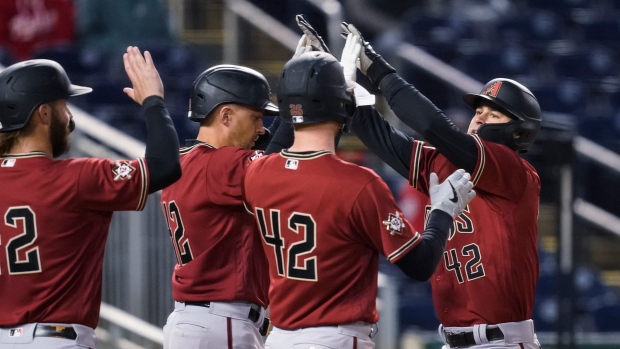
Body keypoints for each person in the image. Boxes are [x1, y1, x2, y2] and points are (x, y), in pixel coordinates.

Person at [242, 50, 476, 349]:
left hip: (278, 338)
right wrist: (443, 212)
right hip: (335, 338)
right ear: (343, 105)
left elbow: (296, 161)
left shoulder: (256, 172)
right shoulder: (359, 184)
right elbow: (419, 265)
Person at [340, 22, 543, 349]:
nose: (479, 118)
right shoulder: (450, 161)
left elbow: (435, 127)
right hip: (450, 338)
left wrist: (379, 71)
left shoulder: (516, 172)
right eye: (479, 110)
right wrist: (346, 96)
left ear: (520, 133)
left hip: (501, 341)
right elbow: (388, 143)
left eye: (494, 114)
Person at [0, 47, 181, 348]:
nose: (69, 116)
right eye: (63, 105)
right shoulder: (77, 177)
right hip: (55, 339)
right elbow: (165, 166)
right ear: (43, 113)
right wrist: (153, 101)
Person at [159, 64, 285, 349]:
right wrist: (300, 100)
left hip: (196, 320)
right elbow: (276, 166)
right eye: (255, 117)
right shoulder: (219, 164)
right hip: (221, 322)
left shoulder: (186, 161)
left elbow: (266, 155)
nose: (261, 127)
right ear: (225, 115)